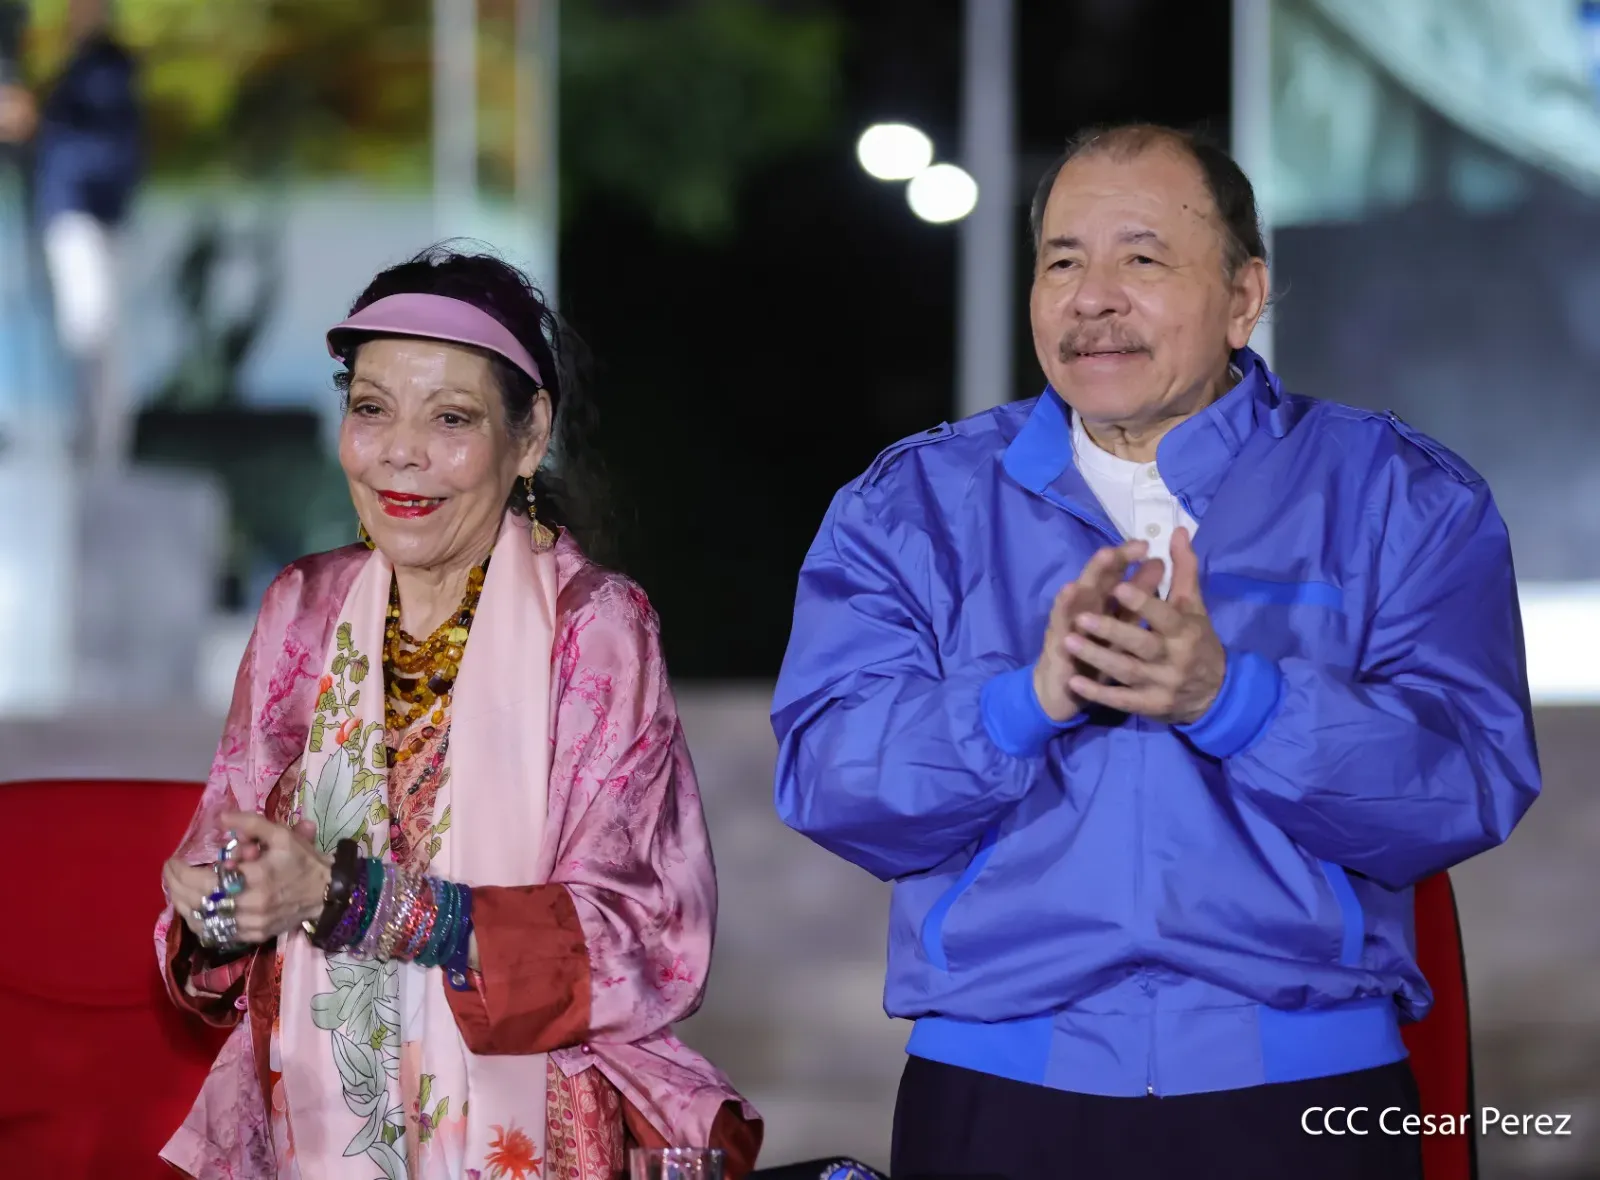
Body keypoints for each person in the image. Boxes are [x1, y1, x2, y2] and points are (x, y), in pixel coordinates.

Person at [771, 123, 1540, 1180]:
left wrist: (1237, 702)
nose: (1092, 298)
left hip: (1305, 1093)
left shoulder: (1396, 496)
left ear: (1242, 296)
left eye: (1141, 258)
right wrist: (1023, 702)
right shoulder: (913, 506)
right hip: (998, 1090)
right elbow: (827, 781)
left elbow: (1466, 786)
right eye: (1061, 263)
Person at [158, 246, 762, 1180]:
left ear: (529, 437)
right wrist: (221, 904)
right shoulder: (303, 611)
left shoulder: (593, 628)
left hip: (528, 1125)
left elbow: (644, 932)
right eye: (371, 408)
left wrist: (354, 902)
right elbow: (220, 858)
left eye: (451, 418)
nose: (401, 450)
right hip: (314, 1112)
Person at [0, 0, 141, 465]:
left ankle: (96, 452)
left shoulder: (104, 69)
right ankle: (91, 447)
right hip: (79, 213)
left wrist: (36, 123)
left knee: (91, 333)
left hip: (83, 214)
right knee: (87, 334)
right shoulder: (85, 69)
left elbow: (100, 148)